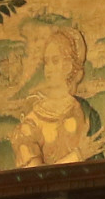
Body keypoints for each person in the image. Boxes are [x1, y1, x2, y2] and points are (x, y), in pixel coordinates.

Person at [14, 23, 100, 166]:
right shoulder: (32, 121)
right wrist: (78, 155)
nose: (49, 69)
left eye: (55, 61)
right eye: (47, 62)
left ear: (69, 65)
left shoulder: (86, 112)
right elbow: (34, 177)